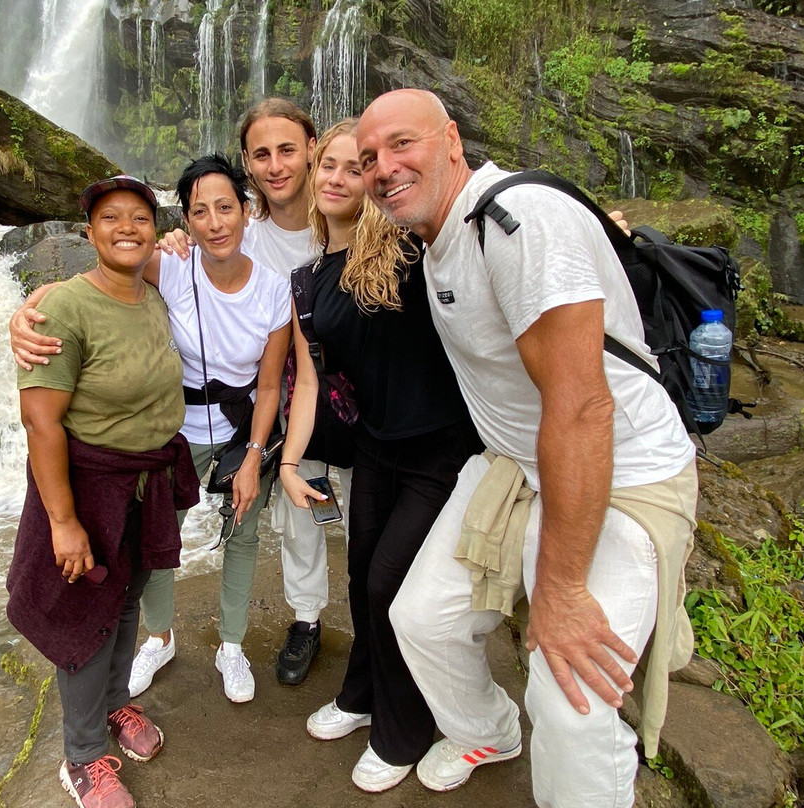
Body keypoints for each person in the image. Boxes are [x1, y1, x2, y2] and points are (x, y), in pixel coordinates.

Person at [356, 89, 698, 807]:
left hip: (620, 476)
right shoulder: (437, 234)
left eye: (401, 145)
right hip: (517, 469)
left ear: (451, 140)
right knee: (423, 620)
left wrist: (563, 592)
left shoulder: (517, 224)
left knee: (570, 700)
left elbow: (581, 408)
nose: (383, 168)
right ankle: (490, 730)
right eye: (368, 159)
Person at [16, 98, 351, 688]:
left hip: (245, 427)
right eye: (201, 212)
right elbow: (99, 280)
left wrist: (253, 458)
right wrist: (36, 302)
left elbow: (271, 381)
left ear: (246, 213)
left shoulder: (276, 290)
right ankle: (159, 637)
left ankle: (231, 644)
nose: (216, 222)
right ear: (187, 223)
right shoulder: (168, 267)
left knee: (243, 535)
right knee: (157, 538)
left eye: (226, 207)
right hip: (175, 431)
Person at [278, 119, 483, 792]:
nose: (337, 177)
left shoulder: (406, 247)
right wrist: (286, 461)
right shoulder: (307, 280)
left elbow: (474, 226)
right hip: (375, 450)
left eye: (351, 167)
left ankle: (404, 733)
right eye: (327, 166)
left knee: (387, 584)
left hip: (440, 449)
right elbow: (308, 380)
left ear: (371, 180)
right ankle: (363, 695)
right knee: (361, 575)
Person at [6, 175, 199, 808]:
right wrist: (63, 521)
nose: (127, 228)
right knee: (84, 616)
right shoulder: (64, 306)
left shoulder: (150, 291)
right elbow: (41, 421)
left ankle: (116, 702)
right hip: (89, 486)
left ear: (155, 229)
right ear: (88, 233)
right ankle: (83, 755)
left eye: (140, 217)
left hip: (145, 482)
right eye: (111, 218)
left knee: (123, 601)